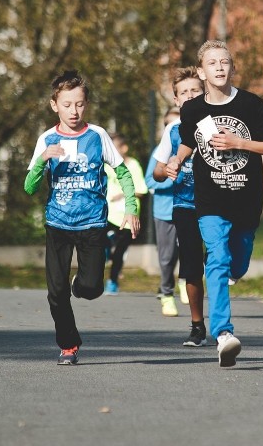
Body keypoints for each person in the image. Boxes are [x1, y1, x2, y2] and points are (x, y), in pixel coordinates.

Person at [165, 41, 263, 367]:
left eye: (225, 62)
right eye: (212, 62)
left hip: (246, 200)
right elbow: (189, 141)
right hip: (210, 201)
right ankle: (223, 334)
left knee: (237, 264)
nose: (219, 67)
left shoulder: (250, 105)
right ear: (202, 71)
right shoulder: (192, 110)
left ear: (232, 68)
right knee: (216, 259)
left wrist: (240, 143)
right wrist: (177, 160)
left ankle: (234, 276)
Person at [24, 70, 140, 365]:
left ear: (85, 104)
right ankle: (68, 345)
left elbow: (123, 172)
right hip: (58, 223)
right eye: (66, 104)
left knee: (90, 289)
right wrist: (42, 160)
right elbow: (29, 187)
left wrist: (131, 208)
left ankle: (82, 284)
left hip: (92, 223)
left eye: (79, 104)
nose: (73, 111)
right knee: (56, 292)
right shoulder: (47, 139)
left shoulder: (98, 135)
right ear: (54, 105)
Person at [152, 70, 208, 344]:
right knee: (192, 267)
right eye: (183, 92)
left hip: (216, 202)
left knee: (220, 261)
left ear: (204, 92)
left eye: (194, 90)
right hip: (184, 204)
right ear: (176, 99)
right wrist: (169, 170)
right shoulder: (172, 131)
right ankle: (198, 326)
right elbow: (157, 172)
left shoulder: (215, 124)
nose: (189, 96)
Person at [143, 108, 181, 316]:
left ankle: (185, 281)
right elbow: (149, 181)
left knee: (189, 250)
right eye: (170, 125)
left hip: (189, 208)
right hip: (165, 211)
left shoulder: (194, 147)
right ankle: (167, 293)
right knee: (167, 257)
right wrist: (172, 180)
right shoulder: (160, 152)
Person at [104, 133, 148, 296]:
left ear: (124, 148)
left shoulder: (133, 165)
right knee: (102, 240)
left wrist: (123, 194)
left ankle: (113, 281)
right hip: (109, 214)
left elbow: (142, 191)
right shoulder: (107, 166)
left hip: (128, 217)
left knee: (119, 253)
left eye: (115, 148)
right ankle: (108, 245)